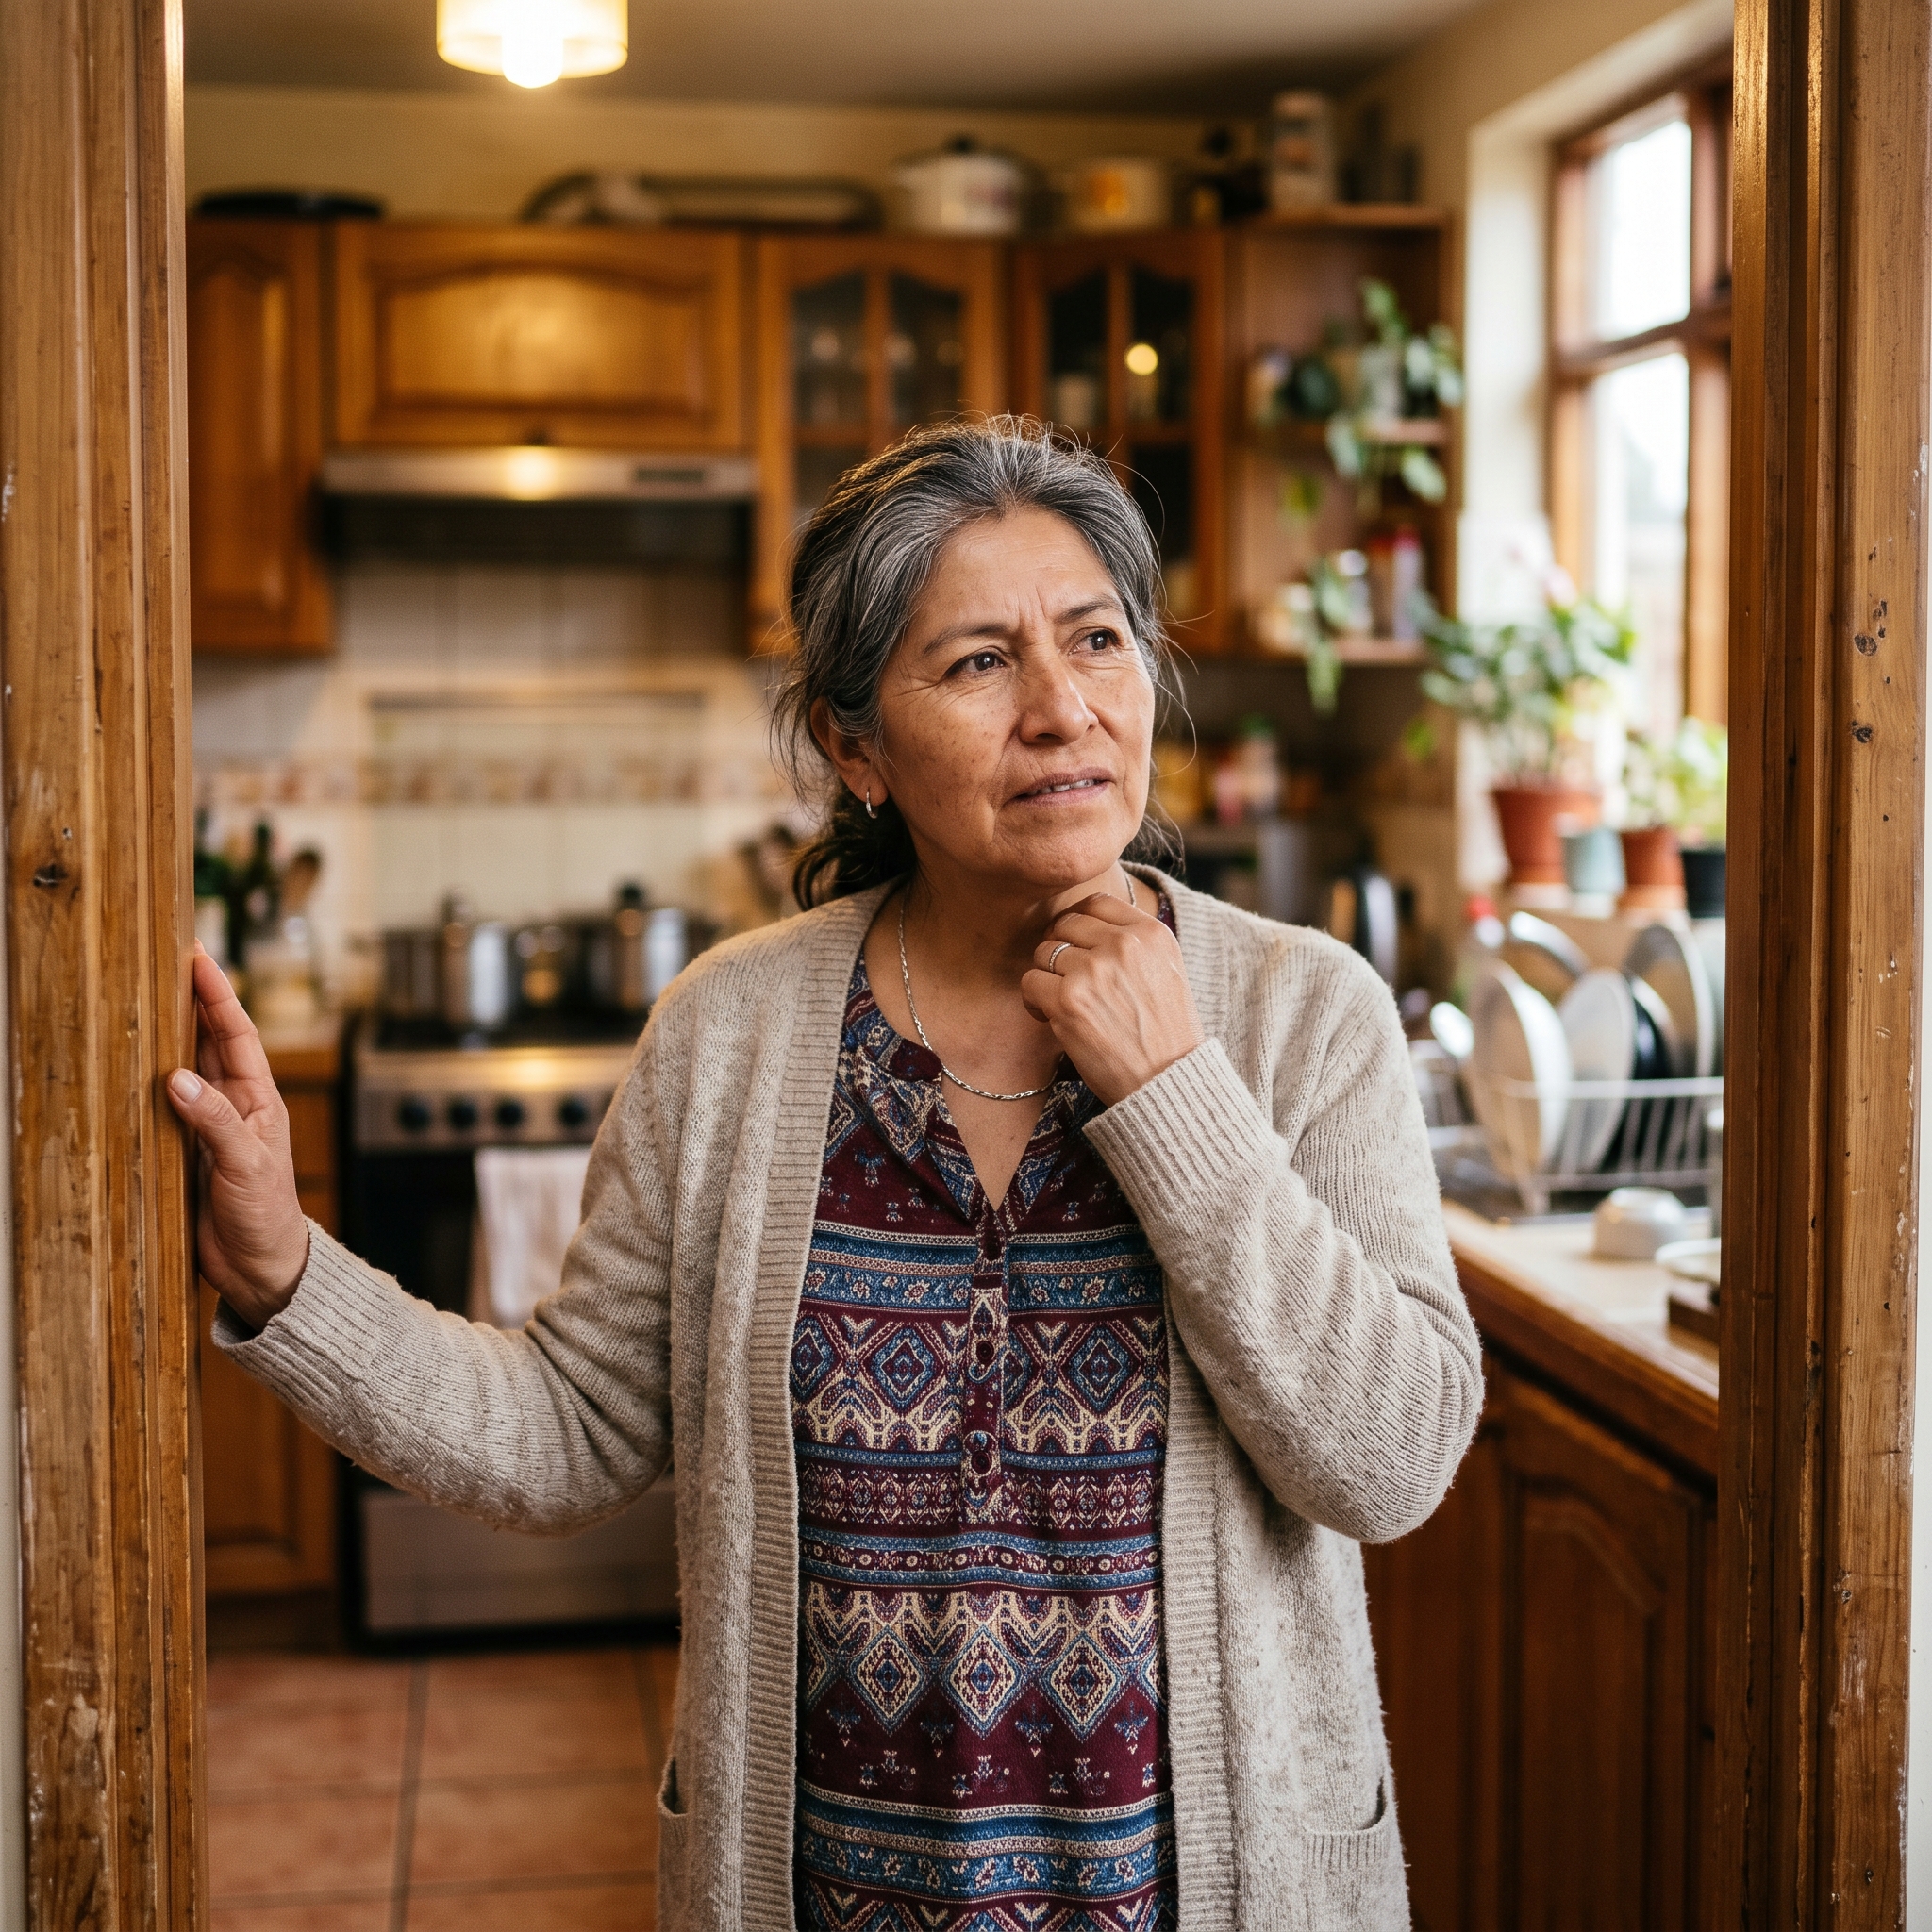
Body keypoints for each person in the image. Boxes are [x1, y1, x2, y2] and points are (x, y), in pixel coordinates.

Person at [169, 416, 1480, 1931]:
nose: (1063, 709)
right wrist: (285, 1274)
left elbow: (1389, 1465)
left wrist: (1174, 1091)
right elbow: (569, 1429)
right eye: (979, 662)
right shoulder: (730, 1032)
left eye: (1097, 640)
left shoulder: (1308, 1015)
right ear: (857, 748)